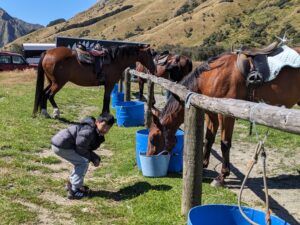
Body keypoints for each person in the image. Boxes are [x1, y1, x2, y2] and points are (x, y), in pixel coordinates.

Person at [51, 113, 115, 199]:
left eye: (108, 127)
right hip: (62, 146)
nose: (105, 129)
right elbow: (81, 147)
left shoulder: (95, 131)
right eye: (104, 126)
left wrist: (93, 157)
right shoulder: (89, 131)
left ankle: (71, 184)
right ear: (97, 122)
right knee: (82, 162)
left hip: (62, 144)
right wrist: (93, 157)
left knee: (81, 160)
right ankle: (75, 190)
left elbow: (84, 146)